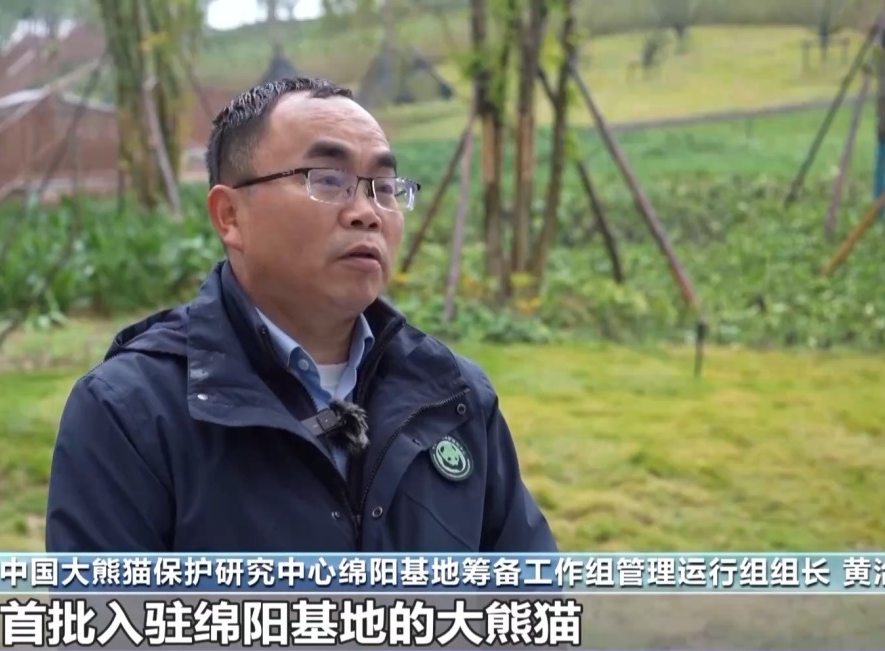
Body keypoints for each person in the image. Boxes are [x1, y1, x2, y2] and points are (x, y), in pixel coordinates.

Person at [45, 77, 557, 553]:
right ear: (230, 216)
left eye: (383, 187)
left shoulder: (453, 395)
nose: (367, 213)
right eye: (328, 180)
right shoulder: (130, 412)